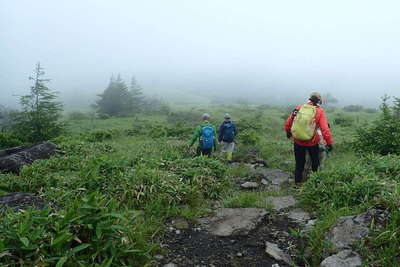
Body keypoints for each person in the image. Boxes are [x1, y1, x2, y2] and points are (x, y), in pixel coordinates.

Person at [284, 92, 333, 185]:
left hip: (298, 142)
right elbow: (325, 129)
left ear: (309, 99)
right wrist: (329, 143)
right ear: (319, 101)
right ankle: (314, 184)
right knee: (315, 163)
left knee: (299, 164)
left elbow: (288, 122)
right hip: (312, 143)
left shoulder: (299, 108)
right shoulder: (319, 111)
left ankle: (297, 183)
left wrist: (288, 132)